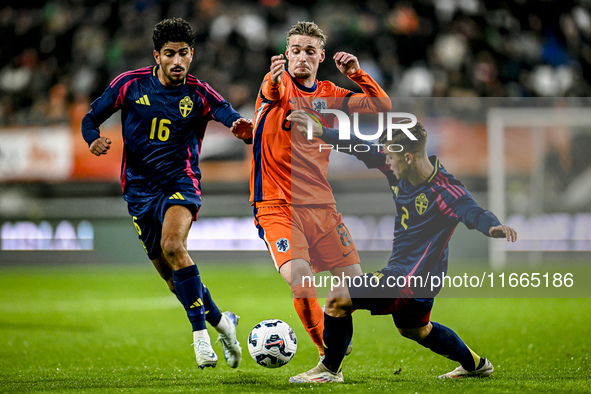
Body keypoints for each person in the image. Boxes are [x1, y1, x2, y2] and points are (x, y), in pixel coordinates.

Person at [80, 17, 254, 369]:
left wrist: (238, 126)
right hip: (139, 191)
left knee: (174, 246)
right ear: (157, 55)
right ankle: (223, 323)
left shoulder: (199, 93)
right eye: (170, 54)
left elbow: (225, 112)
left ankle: (200, 339)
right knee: (176, 282)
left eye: (184, 53)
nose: (178, 61)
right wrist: (92, 139)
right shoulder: (129, 85)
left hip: (180, 183)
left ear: (193, 54)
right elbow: (90, 117)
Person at [288, 119, 517, 383]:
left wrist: (492, 227)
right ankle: (475, 365)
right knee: (415, 329)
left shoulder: (445, 190)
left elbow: (472, 211)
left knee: (338, 297)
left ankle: (329, 370)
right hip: (422, 278)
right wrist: (323, 132)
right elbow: (358, 146)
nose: (386, 162)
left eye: (391, 157)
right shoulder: (396, 165)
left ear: (408, 157)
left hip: (409, 279)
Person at [250, 21, 391, 357]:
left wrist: (358, 75)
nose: (301, 57)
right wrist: (271, 78)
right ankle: (326, 358)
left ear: (321, 56)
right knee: (302, 282)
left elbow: (382, 107)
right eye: (295, 50)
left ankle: (411, 308)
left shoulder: (331, 94)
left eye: (309, 51)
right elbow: (271, 90)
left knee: (354, 289)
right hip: (276, 206)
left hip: (322, 208)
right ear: (287, 53)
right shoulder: (278, 85)